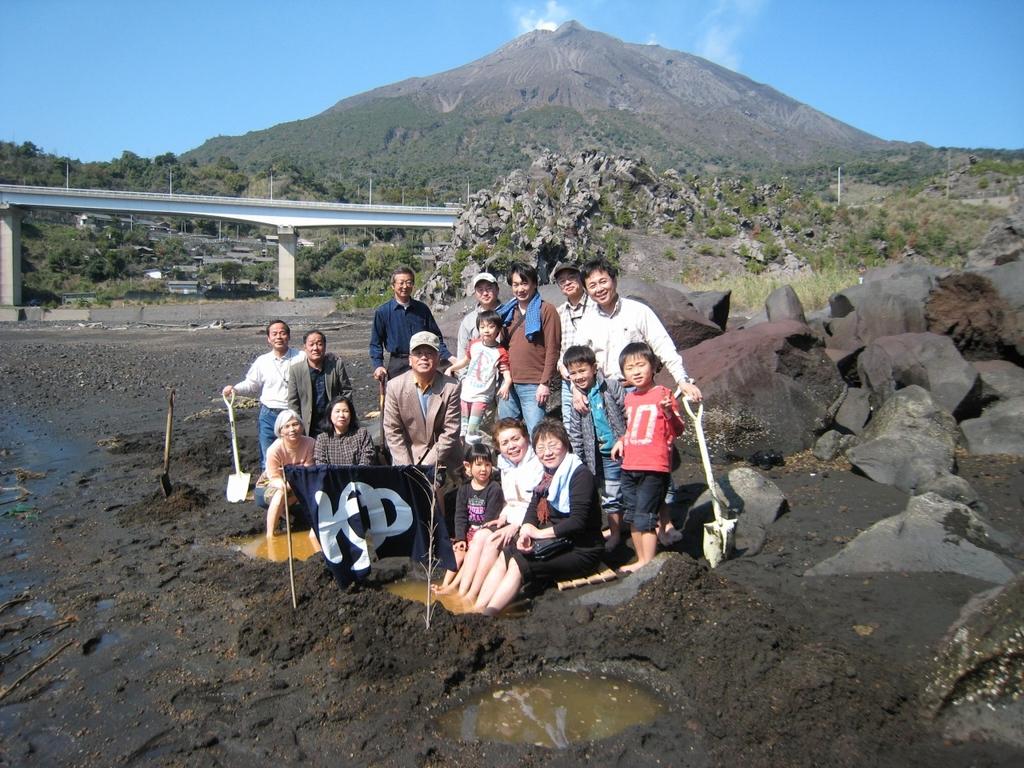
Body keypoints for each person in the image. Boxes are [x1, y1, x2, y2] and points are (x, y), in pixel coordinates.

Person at [578, 257, 703, 545]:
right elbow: (576, 358)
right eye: (592, 285)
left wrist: (683, 379)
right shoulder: (588, 320)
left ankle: (665, 523)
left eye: (603, 281)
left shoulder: (638, 311)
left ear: (614, 280)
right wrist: (575, 389)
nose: (599, 288)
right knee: (618, 460)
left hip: (641, 393)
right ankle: (625, 528)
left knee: (655, 458)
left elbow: (663, 345)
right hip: (608, 396)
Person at [474, 419, 605, 616]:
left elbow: (578, 522)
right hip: (559, 542)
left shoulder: (580, 475)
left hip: (581, 549)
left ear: (565, 444)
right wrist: (527, 528)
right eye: (541, 448)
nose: (547, 452)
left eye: (553, 445)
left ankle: (487, 615)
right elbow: (533, 505)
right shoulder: (548, 475)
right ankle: (476, 608)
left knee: (520, 564)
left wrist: (538, 534)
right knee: (507, 554)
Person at [434, 418, 543, 601]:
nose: (512, 446)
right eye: (505, 443)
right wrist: (503, 517)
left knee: (490, 540)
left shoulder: (537, 465)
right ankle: (462, 591)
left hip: (528, 523)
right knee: (480, 536)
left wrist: (514, 524)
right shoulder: (507, 465)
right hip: (510, 518)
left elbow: (534, 504)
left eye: (516, 439)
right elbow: (511, 502)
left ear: (526, 438)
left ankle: (471, 594)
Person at [611, 343, 685, 572]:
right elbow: (633, 428)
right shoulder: (630, 398)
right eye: (629, 368)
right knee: (632, 515)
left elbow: (678, 429)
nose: (636, 371)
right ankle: (641, 559)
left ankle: (647, 561)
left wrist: (668, 412)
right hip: (630, 465)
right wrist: (621, 440)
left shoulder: (663, 394)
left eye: (641, 365)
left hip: (654, 467)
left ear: (653, 366)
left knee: (646, 515)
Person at [564, 345, 626, 550]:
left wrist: (625, 437)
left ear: (594, 367)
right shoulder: (578, 399)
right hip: (597, 454)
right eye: (573, 373)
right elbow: (575, 433)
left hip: (620, 448)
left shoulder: (611, 386)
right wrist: (580, 459)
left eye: (582, 370)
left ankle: (625, 531)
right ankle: (615, 531)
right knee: (608, 493)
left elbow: (627, 411)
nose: (579, 376)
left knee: (622, 490)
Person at [222, 320, 303, 471]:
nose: (279, 337)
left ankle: (293, 489)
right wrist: (234, 389)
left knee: (295, 453)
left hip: (293, 414)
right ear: (269, 339)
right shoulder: (262, 361)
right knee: (268, 456)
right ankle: (268, 489)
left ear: (289, 336)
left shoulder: (301, 357)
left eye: (282, 333)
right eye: (274, 334)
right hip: (269, 414)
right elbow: (252, 384)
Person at [382, 331, 461, 476]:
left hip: (443, 459)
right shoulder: (394, 386)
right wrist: (407, 467)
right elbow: (392, 431)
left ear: (438, 359)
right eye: (418, 353)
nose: (424, 357)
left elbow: (450, 431)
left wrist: (426, 466)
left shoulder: (452, 387)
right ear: (410, 359)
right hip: (407, 458)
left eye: (429, 353)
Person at [496, 262, 561, 435]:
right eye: (515, 285)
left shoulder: (546, 310)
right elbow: (502, 346)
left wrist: (544, 383)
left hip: (533, 384)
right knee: (507, 432)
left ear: (534, 283)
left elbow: (553, 349)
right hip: (509, 382)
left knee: (536, 434)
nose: (520, 289)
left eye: (524, 283)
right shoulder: (507, 312)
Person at [370, 266, 452, 384]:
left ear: (413, 285)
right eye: (401, 283)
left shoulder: (422, 309)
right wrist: (378, 365)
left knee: (427, 397)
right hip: (398, 363)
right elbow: (375, 343)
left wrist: (447, 356)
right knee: (398, 398)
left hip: (423, 360)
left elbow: (436, 337)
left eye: (409, 283)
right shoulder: (383, 312)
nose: (405, 286)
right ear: (393, 285)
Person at [447, 310, 512, 443]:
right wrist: (451, 368)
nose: (486, 330)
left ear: (498, 329)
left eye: (491, 326)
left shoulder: (500, 352)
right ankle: (467, 458)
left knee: (473, 430)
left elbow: (506, 373)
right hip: (466, 393)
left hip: (482, 396)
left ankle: (479, 457)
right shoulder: (474, 344)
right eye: (482, 327)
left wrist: (506, 384)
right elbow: (465, 361)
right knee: (463, 428)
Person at [447, 442, 504, 582]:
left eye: (487, 464)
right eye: (478, 465)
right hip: (468, 532)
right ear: (468, 466)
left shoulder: (494, 489)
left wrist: (474, 541)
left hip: (484, 533)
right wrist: (460, 538)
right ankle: (445, 584)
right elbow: (460, 516)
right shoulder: (464, 488)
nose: (483, 469)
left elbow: (489, 519)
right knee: (458, 554)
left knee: (470, 556)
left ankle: (454, 586)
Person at [287, 330, 353, 438]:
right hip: (309, 425)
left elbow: (347, 391)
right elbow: (293, 401)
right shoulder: (296, 370)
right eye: (311, 344)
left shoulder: (336, 365)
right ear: (305, 347)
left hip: (333, 423)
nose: (315, 348)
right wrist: (297, 424)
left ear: (325, 346)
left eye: (319, 344)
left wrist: (343, 414)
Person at [263, 409, 315, 538]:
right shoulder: (274, 449)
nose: (292, 429)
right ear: (280, 431)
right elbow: (274, 476)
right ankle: (270, 535)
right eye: (287, 426)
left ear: (302, 427)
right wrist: (286, 486)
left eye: (295, 424)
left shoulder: (310, 443)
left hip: (302, 482)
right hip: (278, 484)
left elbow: (308, 470)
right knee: (281, 494)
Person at [552, 261, 592, 427]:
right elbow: (556, 346)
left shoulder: (596, 306)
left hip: (594, 375)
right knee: (570, 425)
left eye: (571, 278)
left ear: (581, 279)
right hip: (568, 378)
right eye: (562, 281)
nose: (567, 283)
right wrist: (562, 368)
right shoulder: (559, 312)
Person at [313, 395, 376, 466]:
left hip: (358, 475)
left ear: (351, 414)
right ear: (330, 415)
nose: (341, 415)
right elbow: (321, 465)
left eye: (345, 411)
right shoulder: (322, 439)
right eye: (337, 411)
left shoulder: (362, 434)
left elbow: (367, 459)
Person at [456, 272, 502, 362]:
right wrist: (464, 376)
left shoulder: (509, 314)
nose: (485, 293)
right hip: (476, 374)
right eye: (480, 290)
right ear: (475, 293)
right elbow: (462, 353)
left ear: (497, 289)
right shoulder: (468, 321)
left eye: (489, 288)